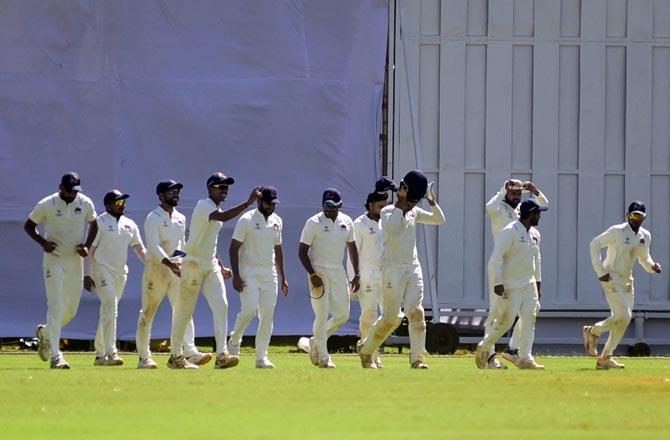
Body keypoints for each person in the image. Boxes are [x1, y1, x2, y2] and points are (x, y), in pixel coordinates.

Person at [168, 173, 261, 369]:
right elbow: (224, 217)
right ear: (210, 189)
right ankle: (176, 356)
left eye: (226, 187)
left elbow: (210, 241)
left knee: (222, 305)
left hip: (210, 264)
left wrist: (220, 264)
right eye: (220, 186)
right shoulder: (204, 205)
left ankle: (222, 355)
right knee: (185, 310)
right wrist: (248, 203)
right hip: (192, 263)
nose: (224, 189)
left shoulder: (215, 209)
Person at [357, 170, 445, 369]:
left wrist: (431, 200)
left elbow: (439, 220)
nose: (413, 205)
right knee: (390, 319)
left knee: (416, 313)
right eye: (411, 200)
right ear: (402, 191)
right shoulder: (388, 212)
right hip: (392, 269)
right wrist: (400, 205)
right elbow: (391, 229)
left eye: (415, 201)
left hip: (412, 267)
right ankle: (366, 349)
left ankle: (417, 359)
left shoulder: (415, 211)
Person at [135, 179, 211, 369]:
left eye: (177, 191)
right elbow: (153, 245)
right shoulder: (153, 217)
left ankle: (189, 352)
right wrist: (168, 263)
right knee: (148, 312)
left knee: (184, 310)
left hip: (176, 269)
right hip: (156, 269)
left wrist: (187, 260)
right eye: (171, 191)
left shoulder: (180, 217)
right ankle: (144, 357)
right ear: (161, 196)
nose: (175, 194)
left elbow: (181, 245)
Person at [25, 172, 97, 369]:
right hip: (53, 260)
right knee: (55, 306)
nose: (72, 194)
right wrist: (43, 243)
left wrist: (87, 247)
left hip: (74, 260)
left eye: (75, 191)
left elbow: (94, 224)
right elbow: (29, 226)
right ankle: (57, 356)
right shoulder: (47, 204)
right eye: (69, 190)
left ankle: (46, 333)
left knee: (71, 310)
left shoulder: (85, 202)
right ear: (60, 187)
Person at [583, 201, 662, 369]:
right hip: (611, 277)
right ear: (628, 215)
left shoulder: (645, 236)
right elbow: (594, 244)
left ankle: (605, 357)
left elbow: (644, 258)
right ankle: (593, 331)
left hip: (627, 280)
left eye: (639, 216)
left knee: (623, 321)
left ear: (644, 218)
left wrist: (653, 267)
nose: (636, 219)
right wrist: (600, 271)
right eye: (633, 215)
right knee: (624, 316)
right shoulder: (617, 231)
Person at [475, 199, 547, 370]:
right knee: (506, 322)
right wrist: (498, 282)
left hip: (529, 284)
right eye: (537, 213)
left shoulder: (535, 234)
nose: (539, 216)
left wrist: (538, 284)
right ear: (529, 214)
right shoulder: (510, 232)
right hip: (510, 285)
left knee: (530, 318)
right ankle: (484, 346)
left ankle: (525, 357)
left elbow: (537, 260)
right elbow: (496, 259)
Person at [298, 188, 360, 368]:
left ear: (340, 205)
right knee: (322, 314)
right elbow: (302, 252)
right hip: (318, 271)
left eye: (333, 206)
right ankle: (324, 358)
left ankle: (314, 342)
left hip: (337, 271)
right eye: (326, 206)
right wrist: (313, 274)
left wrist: (356, 273)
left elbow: (352, 247)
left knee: (342, 315)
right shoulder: (313, 222)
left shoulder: (347, 222)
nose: (329, 209)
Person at [228, 186, 288, 368]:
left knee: (267, 315)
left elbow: (278, 249)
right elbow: (233, 248)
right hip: (249, 271)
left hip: (269, 273)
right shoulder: (246, 220)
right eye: (268, 203)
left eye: (273, 203)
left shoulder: (277, 221)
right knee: (249, 310)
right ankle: (234, 340)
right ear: (259, 201)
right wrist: (236, 275)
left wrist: (282, 276)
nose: (271, 206)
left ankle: (261, 357)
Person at [83, 190, 145, 366]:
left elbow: (139, 248)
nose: (122, 205)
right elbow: (89, 251)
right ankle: (111, 353)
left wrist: (153, 263)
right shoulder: (99, 223)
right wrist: (86, 275)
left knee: (108, 310)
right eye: (118, 203)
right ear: (108, 205)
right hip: (101, 270)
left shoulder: (129, 224)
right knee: (111, 306)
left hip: (120, 273)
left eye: (123, 202)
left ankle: (100, 354)